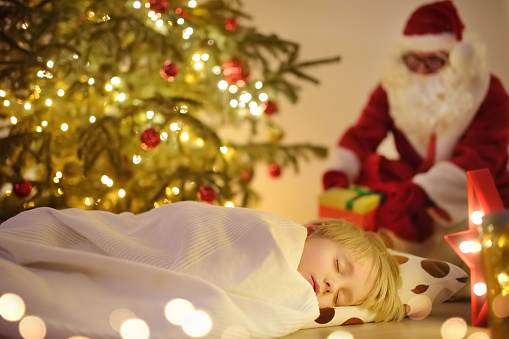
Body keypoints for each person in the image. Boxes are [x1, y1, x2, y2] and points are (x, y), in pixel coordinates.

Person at [0, 201, 403, 339]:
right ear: (311, 231)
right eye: (338, 265)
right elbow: (183, 236)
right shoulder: (267, 233)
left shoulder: (295, 302)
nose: (331, 285)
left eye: (340, 295)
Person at [323, 1, 509, 246]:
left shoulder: (487, 91)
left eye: (433, 61)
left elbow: (482, 157)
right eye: (413, 60)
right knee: (375, 175)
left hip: (470, 197)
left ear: (456, 59)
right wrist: (340, 169)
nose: (421, 70)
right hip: (409, 191)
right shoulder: (394, 87)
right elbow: (363, 133)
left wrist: (424, 192)